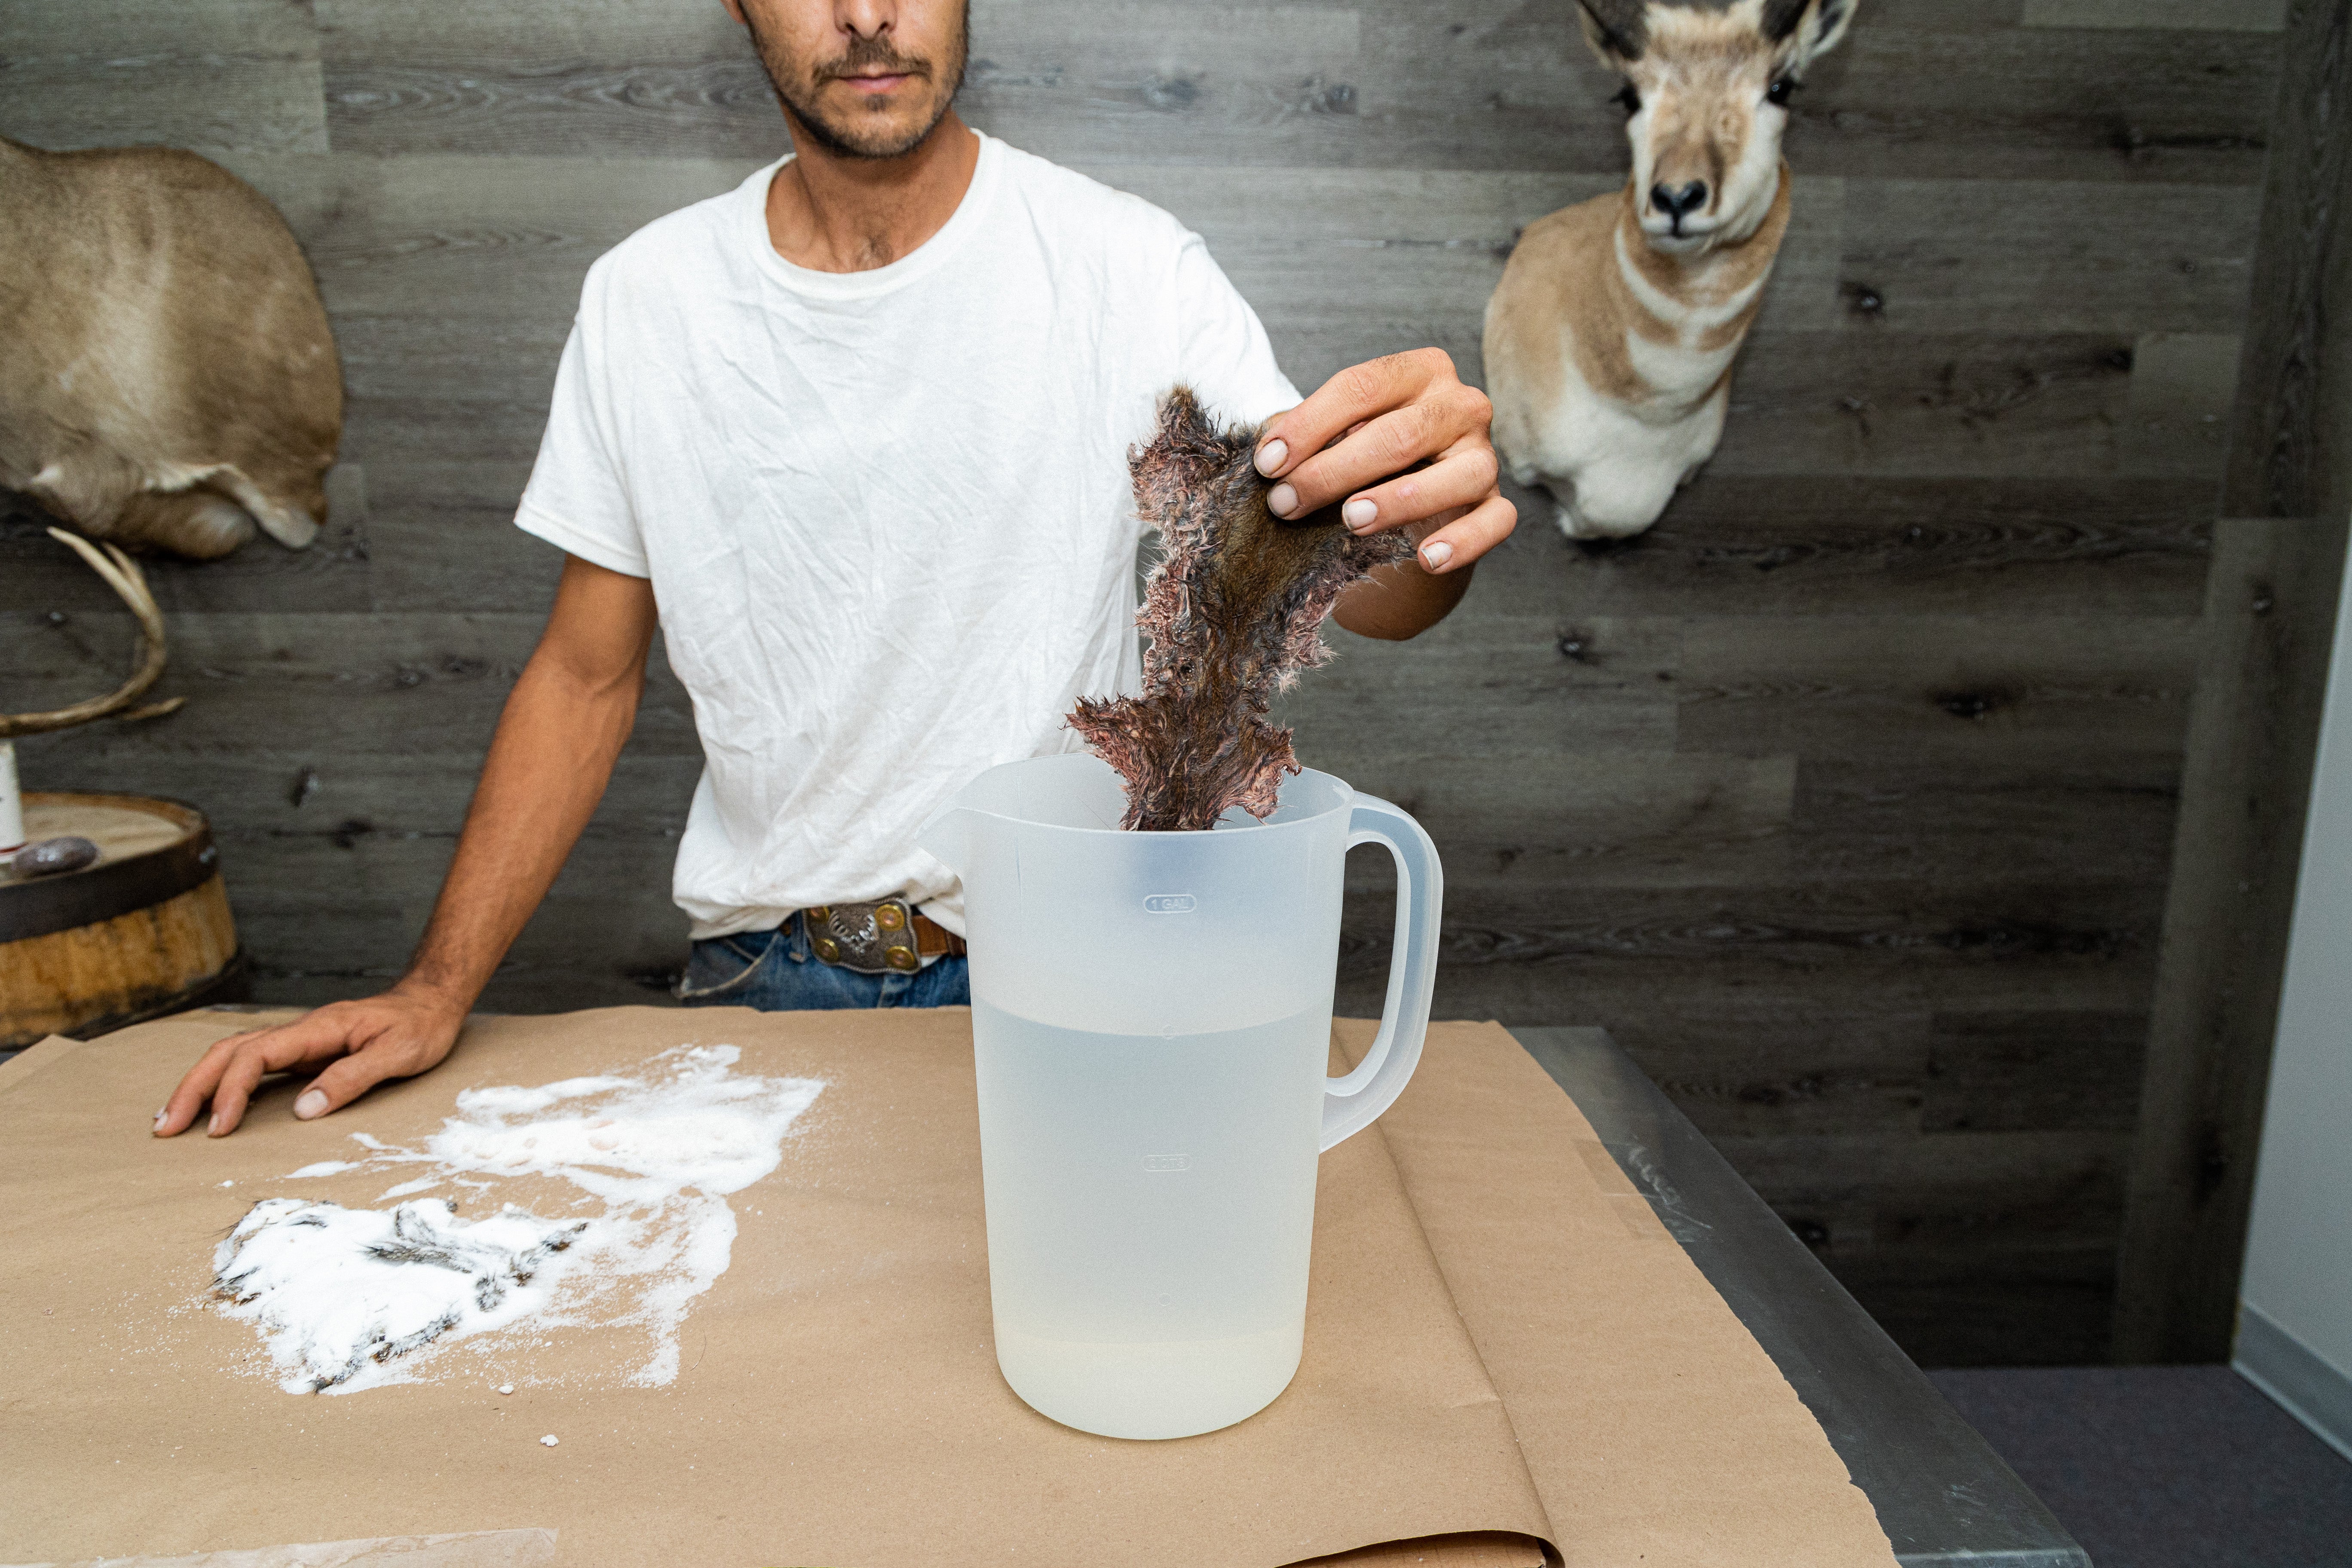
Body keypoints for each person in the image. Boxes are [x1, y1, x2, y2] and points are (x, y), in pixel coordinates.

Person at [156, 0, 1515, 1139]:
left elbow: (1354, 580)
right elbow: (583, 676)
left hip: (1063, 967)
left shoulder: (1124, 269)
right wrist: (434, 987)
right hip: (760, 981)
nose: (868, 14)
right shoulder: (649, 300)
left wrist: (1418, 522)